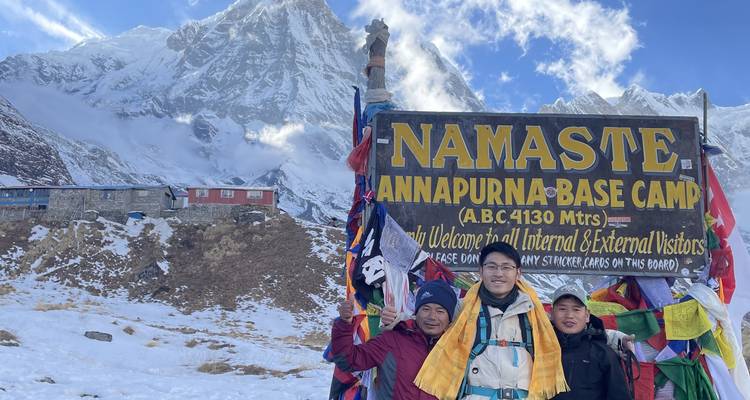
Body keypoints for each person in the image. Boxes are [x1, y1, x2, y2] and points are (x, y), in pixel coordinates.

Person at [413, 241, 570, 400]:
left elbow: (573, 326)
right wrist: (394, 321)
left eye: (506, 267)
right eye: (492, 267)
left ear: (518, 273)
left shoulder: (535, 314)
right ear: (481, 271)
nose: (499, 273)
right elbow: (424, 324)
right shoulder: (461, 310)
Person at [329, 279, 458, 400]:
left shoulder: (458, 350)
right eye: (425, 309)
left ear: (449, 317)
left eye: (440, 311)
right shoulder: (392, 340)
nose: (432, 317)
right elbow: (348, 361)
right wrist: (344, 325)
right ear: (416, 312)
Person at [550, 284, 632, 400]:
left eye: (576, 309)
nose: (569, 315)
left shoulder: (603, 353)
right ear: (552, 314)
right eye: (562, 309)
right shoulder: (539, 349)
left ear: (587, 315)